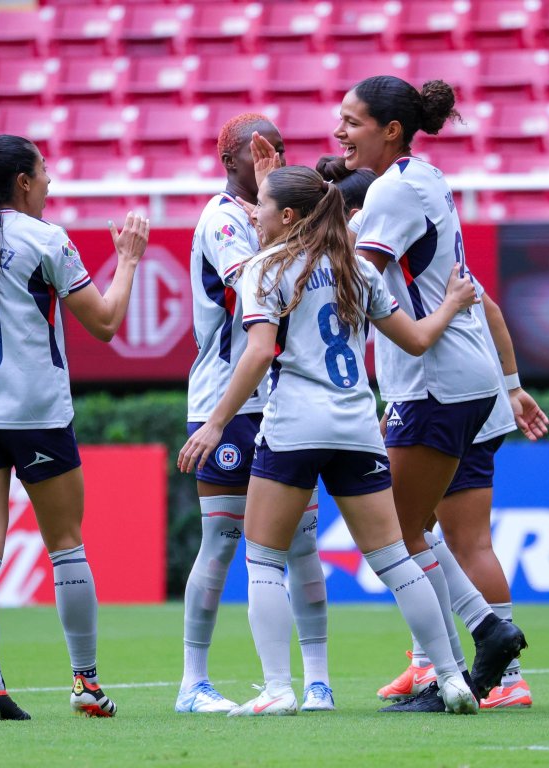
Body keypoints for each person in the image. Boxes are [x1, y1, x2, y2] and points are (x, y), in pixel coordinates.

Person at [178, 165, 482, 717]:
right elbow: (414, 341)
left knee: (265, 561)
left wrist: (217, 421)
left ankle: (278, 689)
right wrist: (451, 305)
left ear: (288, 216)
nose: (253, 214)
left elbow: (258, 352)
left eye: (262, 206)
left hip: (294, 427)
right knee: (395, 560)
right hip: (358, 430)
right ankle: (451, 678)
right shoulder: (356, 268)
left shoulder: (266, 269)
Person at [0, 134, 149, 721]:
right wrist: (131, 259)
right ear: (22, 182)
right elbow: (108, 323)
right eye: (44, 174)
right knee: (66, 544)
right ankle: (86, 684)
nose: (49, 183)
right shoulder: (43, 239)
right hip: (35, 412)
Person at [334, 75, 528, 706]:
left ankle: (466, 655)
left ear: (390, 131)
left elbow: (356, 285)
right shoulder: (426, 176)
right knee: (417, 529)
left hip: (434, 381)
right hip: (461, 379)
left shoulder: (392, 191)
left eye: (352, 122)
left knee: (397, 531)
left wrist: (305, 236)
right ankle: (467, 656)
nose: (340, 133)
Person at [180, 113, 333, 714]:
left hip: (286, 399)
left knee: (302, 543)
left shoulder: (282, 220)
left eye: (281, 149)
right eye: (260, 152)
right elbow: (259, 289)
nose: (273, 160)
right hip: (228, 398)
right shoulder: (222, 219)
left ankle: (317, 681)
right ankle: (194, 683)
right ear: (230, 162)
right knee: (221, 541)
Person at [377, 282, 549, 709]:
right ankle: (426, 663)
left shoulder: (380, 231)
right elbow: (484, 307)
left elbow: (486, 306)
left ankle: (508, 679)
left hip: (450, 401)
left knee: (464, 542)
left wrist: (511, 388)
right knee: (418, 533)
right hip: (437, 398)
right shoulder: (400, 238)